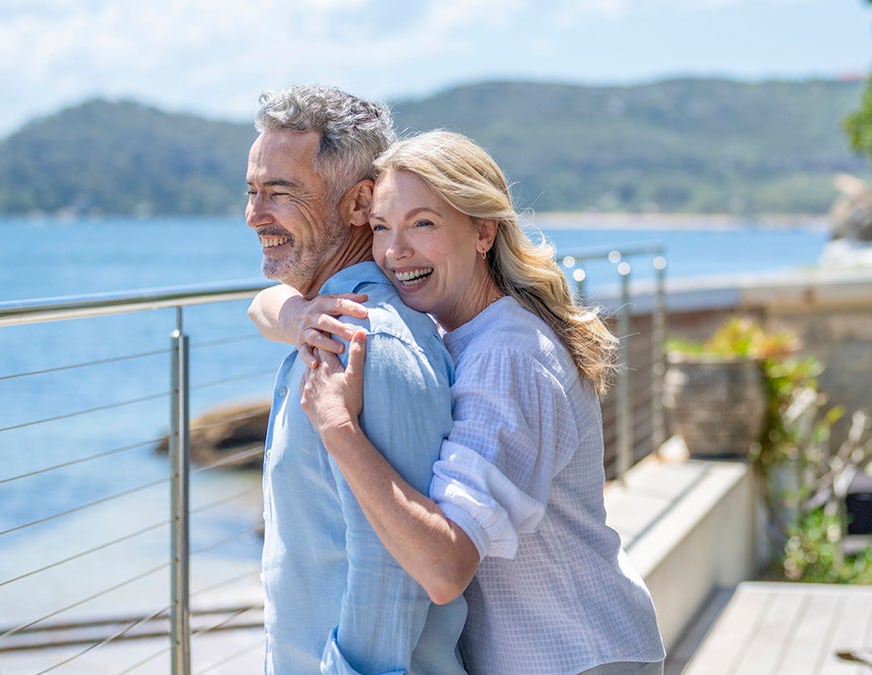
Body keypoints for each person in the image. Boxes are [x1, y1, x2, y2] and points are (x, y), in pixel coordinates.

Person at [256, 130, 666, 674]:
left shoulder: (507, 356)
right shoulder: (459, 330)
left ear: (483, 231)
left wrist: (338, 428)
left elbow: (445, 568)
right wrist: (297, 314)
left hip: (574, 656)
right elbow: (261, 302)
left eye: (423, 223)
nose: (395, 251)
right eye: (381, 227)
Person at [244, 85, 467, 675]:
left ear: (357, 204)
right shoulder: (322, 323)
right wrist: (292, 314)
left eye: (280, 193)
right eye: (252, 191)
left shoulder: (368, 343)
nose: (254, 214)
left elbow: (391, 571)